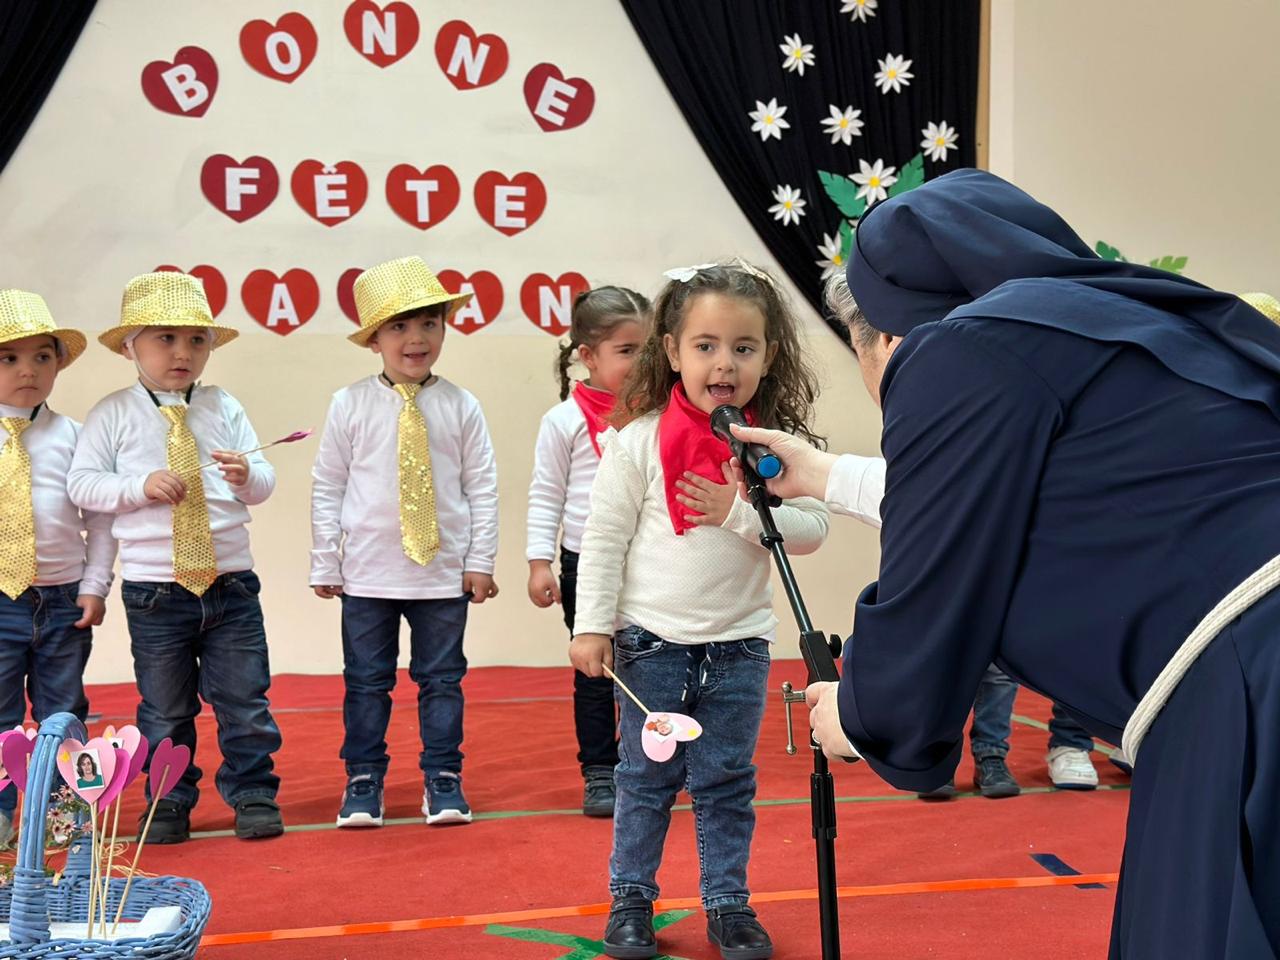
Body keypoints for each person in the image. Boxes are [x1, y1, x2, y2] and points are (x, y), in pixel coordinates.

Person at [732, 169, 1280, 958]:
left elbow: (936, 583)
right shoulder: (1124, 320)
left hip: (1250, 684)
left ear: (884, 337)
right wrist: (823, 474)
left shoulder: (954, 348)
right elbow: (1031, 497)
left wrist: (856, 712)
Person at [570, 261, 830, 960]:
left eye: (744, 348)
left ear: (769, 356)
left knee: (725, 784)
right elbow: (604, 538)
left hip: (740, 648)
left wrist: (740, 511)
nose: (724, 364)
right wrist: (591, 626)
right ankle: (631, 900)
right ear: (672, 351)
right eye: (706, 346)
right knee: (644, 780)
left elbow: (812, 530)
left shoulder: (776, 447)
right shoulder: (637, 440)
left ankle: (728, 905)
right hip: (652, 644)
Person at [68, 271, 283, 844]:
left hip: (231, 584)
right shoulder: (113, 412)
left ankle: (254, 790)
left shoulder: (223, 405)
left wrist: (246, 475)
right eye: (165, 339)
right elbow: (82, 484)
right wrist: (138, 486)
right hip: (155, 592)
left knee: (245, 698)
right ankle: (167, 798)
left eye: (196, 340)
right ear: (129, 346)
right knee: (164, 707)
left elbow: (264, 482)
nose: (182, 353)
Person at [311, 256, 499, 829]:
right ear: (374, 339)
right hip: (368, 574)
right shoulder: (349, 403)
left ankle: (443, 776)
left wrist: (480, 560)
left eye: (429, 324)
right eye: (399, 327)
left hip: (441, 575)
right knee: (366, 682)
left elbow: (482, 487)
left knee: (442, 679)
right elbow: (328, 484)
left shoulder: (461, 405)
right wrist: (325, 561)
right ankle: (363, 778)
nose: (416, 338)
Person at [526, 286, 649, 818]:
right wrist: (539, 562)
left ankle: (647, 762)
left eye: (648, 349)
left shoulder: (659, 415)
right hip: (585, 563)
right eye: (626, 351)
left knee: (652, 665)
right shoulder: (564, 420)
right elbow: (546, 494)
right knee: (596, 669)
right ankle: (600, 769)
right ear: (588, 356)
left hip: (650, 561)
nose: (640, 362)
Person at [0, 290, 115, 847]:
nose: (28, 370)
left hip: (63, 599)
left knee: (63, 711)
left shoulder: (74, 436)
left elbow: (101, 520)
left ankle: (65, 817)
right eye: (9, 358)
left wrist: (95, 585)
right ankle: (1, 817)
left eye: (41, 357)